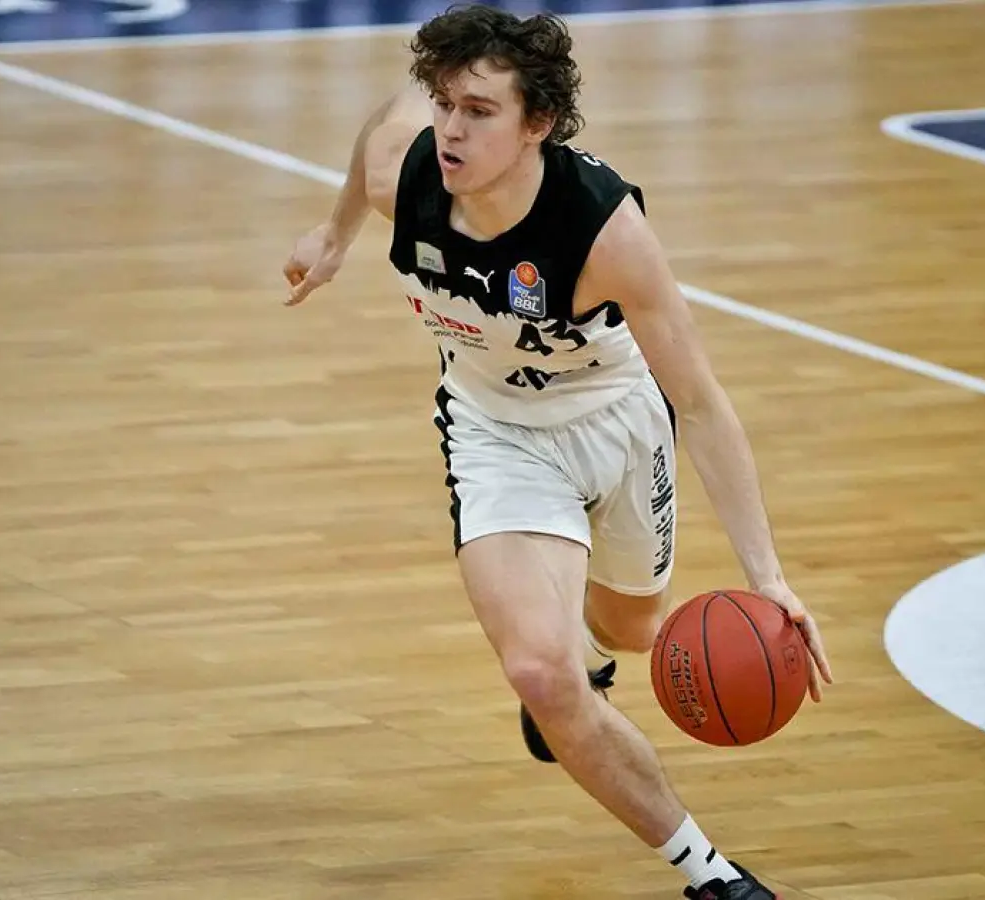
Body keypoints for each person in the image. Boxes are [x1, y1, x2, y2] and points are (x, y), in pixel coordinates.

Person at [282, 5, 833, 898]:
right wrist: (336, 233)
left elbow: (698, 400)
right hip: (496, 435)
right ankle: (709, 873)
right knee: (540, 671)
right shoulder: (410, 167)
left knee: (634, 631)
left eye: (481, 111)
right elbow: (379, 130)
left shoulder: (604, 231)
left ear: (538, 124)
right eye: (447, 104)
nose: (452, 128)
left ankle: (591, 654)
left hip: (618, 419)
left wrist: (767, 577)